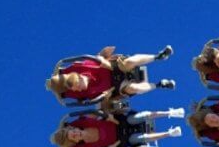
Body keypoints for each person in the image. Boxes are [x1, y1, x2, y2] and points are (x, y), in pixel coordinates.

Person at [47, 45, 175, 104]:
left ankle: (158, 56)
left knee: (129, 62)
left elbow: (99, 61)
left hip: (111, 68)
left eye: (77, 85)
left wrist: (105, 61)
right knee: (133, 88)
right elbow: (71, 99)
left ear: (78, 77)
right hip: (114, 88)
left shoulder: (79, 67)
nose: (79, 89)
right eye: (75, 89)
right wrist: (104, 96)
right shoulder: (72, 93)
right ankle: (159, 85)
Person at [51, 109, 182, 147]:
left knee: (141, 116)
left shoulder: (83, 121)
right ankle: (170, 133)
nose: (75, 134)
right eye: (73, 137)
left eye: (72, 132)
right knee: (141, 138)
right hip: (120, 140)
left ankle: (170, 113)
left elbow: (97, 113)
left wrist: (110, 117)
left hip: (118, 123)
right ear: (74, 141)